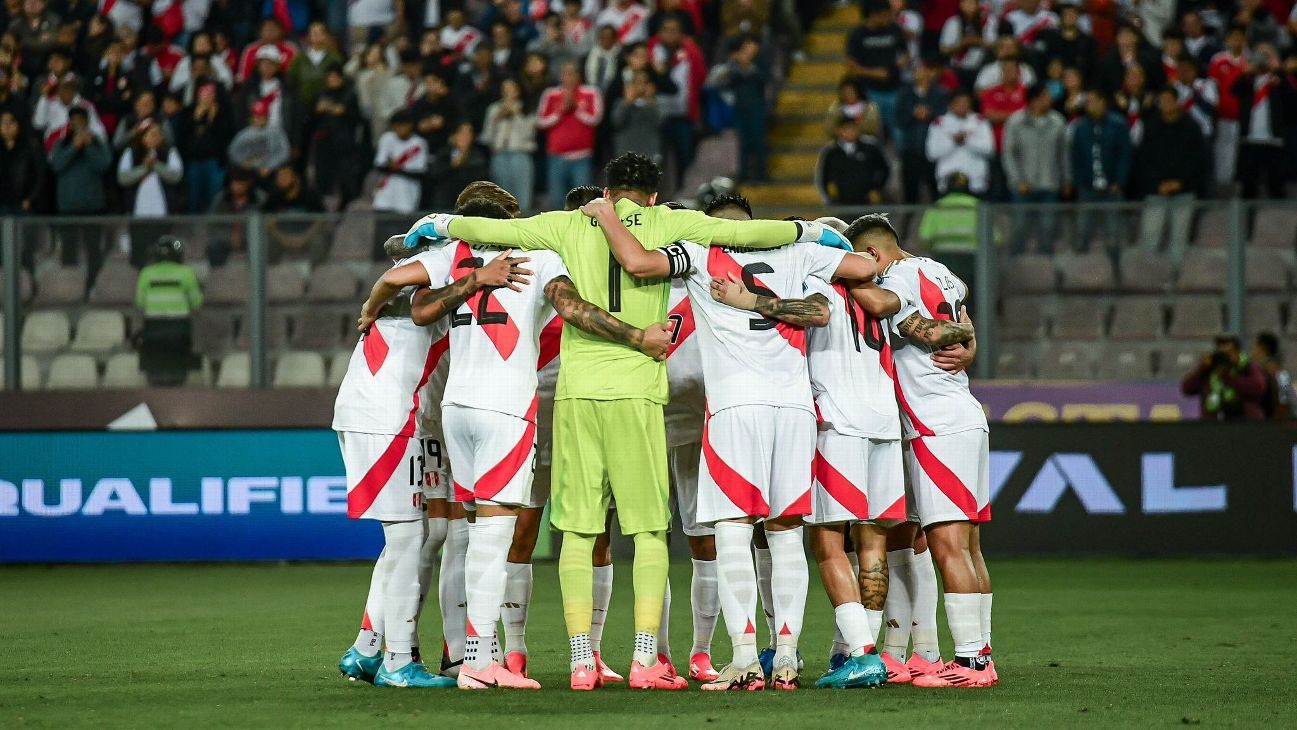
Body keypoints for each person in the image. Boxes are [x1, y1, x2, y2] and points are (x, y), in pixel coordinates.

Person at [403, 152, 849, 691]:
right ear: (655, 195)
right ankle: (644, 660)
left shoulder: (566, 224)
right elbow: (753, 235)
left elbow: (494, 229)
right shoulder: (671, 223)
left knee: (576, 529)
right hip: (639, 390)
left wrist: (439, 224)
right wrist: (809, 231)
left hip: (575, 394)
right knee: (649, 531)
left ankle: (581, 661)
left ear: (608, 192)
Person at [586, 188, 879, 692]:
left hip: (734, 409)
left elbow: (635, 262)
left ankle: (743, 658)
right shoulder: (794, 250)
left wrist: (605, 214)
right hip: (793, 408)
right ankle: (786, 658)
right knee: (787, 533)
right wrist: (815, 230)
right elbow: (859, 271)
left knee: (733, 531)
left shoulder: (698, 253)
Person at [399, 197, 668, 690]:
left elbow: (415, 304)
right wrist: (635, 335)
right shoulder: (539, 257)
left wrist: (441, 255)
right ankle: (480, 663)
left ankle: (477, 655)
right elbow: (572, 308)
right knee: (493, 538)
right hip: (504, 409)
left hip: (454, 409)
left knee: (472, 533)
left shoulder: (455, 254)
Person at [709, 218, 908, 690]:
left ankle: (859, 654)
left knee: (825, 542)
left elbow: (810, 313)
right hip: (884, 419)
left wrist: (747, 300)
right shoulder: (878, 294)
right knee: (872, 544)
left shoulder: (820, 281)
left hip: (838, 420)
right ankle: (849, 652)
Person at [335, 235, 521, 690]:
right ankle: (395, 660)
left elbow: (396, 261)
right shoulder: (432, 289)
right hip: (389, 418)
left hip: (390, 416)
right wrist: (370, 304)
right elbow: (395, 270)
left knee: (416, 535)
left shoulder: (427, 298)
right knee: (407, 539)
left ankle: (367, 647)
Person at [847, 215, 994, 689]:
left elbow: (908, 320)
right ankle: (980, 655)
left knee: (948, 545)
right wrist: (968, 337)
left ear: (872, 256)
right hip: (964, 414)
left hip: (936, 425)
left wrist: (830, 271)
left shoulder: (895, 277)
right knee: (969, 547)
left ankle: (971, 663)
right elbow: (963, 296)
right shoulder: (938, 269)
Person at [1135, 87, 1206, 268]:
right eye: (1162, 101)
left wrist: (1180, 183)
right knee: (1150, 237)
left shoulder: (1191, 127)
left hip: (1184, 191)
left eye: (1169, 100)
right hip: (1156, 190)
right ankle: (1149, 278)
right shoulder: (1151, 127)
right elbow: (1144, 160)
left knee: (1179, 240)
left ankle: (1176, 280)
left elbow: (1197, 161)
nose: (1165, 104)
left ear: (1177, 102)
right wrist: (1158, 183)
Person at [1002, 83, 1066, 254]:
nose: (1049, 99)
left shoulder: (1057, 122)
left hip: (1049, 184)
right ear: (1034, 101)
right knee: (1019, 227)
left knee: (1048, 227)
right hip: (1023, 186)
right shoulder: (1015, 122)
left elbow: (1063, 155)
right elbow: (1009, 154)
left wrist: (1066, 179)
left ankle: (1045, 267)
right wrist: (1017, 180)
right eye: (1045, 96)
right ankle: (1016, 263)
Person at [1068, 91, 1132, 253]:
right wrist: (1079, 183)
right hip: (1087, 188)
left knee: (1114, 233)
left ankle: (1117, 270)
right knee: (1082, 232)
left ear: (1102, 102)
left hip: (1112, 187)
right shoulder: (1080, 127)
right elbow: (1075, 157)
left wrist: (1119, 181)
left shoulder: (1118, 124)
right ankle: (1079, 269)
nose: (1088, 105)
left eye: (1092, 101)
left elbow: (1124, 155)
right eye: (1087, 102)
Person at [135, 236, 202, 386]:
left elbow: (140, 302)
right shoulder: (187, 273)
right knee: (179, 373)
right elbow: (197, 303)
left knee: (154, 373)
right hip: (179, 330)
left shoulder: (146, 273)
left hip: (153, 330)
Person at [117, 118, 183, 268]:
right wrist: (144, 168)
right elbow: (123, 178)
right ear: (142, 137)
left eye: (157, 134)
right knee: (140, 255)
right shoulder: (131, 153)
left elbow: (176, 175)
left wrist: (156, 165)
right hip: (138, 216)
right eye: (151, 134)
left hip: (163, 215)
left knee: (164, 252)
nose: (155, 138)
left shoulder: (169, 152)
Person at [536, 62, 603, 210]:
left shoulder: (591, 92)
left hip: (582, 157)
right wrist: (560, 111)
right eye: (565, 73)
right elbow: (541, 121)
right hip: (556, 157)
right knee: (557, 202)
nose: (568, 77)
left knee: (584, 203)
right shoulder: (550, 94)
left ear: (579, 75)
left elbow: (596, 119)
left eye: (572, 73)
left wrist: (575, 107)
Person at [1232, 44, 1295, 199]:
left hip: (1274, 141)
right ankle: (1245, 222)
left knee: (1276, 186)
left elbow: (1292, 103)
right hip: (1250, 140)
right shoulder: (1249, 80)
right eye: (1260, 56)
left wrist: (1279, 70)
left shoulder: (1280, 80)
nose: (1263, 60)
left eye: (1267, 56)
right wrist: (1246, 73)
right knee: (1248, 187)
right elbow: (1234, 91)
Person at [711, 35, 769, 182]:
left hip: (757, 108)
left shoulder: (760, 63)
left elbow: (764, 79)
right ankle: (743, 174)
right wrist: (735, 65)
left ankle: (761, 173)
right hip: (740, 109)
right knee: (742, 142)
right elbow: (718, 82)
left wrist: (747, 67)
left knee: (757, 141)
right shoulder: (733, 67)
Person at [847, 0, 906, 143]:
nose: (888, 19)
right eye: (885, 16)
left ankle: (900, 162)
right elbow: (852, 66)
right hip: (870, 91)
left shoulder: (894, 29)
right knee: (874, 131)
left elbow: (905, 54)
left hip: (894, 88)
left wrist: (899, 64)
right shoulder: (858, 35)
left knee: (898, 129)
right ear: (874, 15)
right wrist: (875, 73)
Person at [310, 63, 366, 208]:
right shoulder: (320, 94)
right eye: (330, 77)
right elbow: (310, 121)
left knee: (346, 181)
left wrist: (344, 111)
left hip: (344, 146)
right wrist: (317, 111)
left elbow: (359, 118)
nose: (333, 80)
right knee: (324, 182)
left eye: (336, 77)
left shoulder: (349, 95)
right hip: (324, 145)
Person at [174, 81, 234, 213]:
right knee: (193, 200)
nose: (207, 98)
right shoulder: (187, 112)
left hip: (215, 163)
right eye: (204, 94)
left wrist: (213, 119)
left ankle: (213, 229)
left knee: (215, 199)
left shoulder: (223, 113)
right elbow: (181, 136)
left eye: (210, 95)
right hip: (193, 162)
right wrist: (195, 118)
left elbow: (226, 135)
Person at [1181, 334, 1270, 421]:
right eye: (1220, 350)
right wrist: (1202, 368)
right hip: (1211, 426)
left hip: (1244, 425)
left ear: (1237, 352)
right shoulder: (1209, 370)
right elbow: (1187, 389)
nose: (1224, 355)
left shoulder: (1247, 367)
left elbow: (1258, 388)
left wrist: (1228, 378)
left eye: (1228, 352)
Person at [896, 59, 949, 204]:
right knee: (910, 195)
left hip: (934, 152)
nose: (919, 73)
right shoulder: (905, 94)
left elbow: (946, 118)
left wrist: (929, 114)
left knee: (935, 193)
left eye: (923, 69)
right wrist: (913, 114)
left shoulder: (940, 94)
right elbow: (899, 119)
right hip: (911, 149)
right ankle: (905, 225)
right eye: (916, 70)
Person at [926, 88, 995, 196]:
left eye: (966, 102)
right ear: (951, 104)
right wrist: (953, 142)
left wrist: (967, 141)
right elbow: (932, 154)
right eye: (959, 103)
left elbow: (989, 149)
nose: (963, 106)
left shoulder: (980, 121)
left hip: (976, 182)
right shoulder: (939, 123)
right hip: (947, 182)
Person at [483, 78, 538, 212]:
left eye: (511, 88)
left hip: (520, 155)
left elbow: (529, 135)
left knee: (523, 199)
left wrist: (516, 115)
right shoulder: (493, 109)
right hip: (499, 155)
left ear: (518, 90)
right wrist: (497, 119)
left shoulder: (527, 109)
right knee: (501, 200)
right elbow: (487, 137)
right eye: (505, 89)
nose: (508, 92)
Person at [918, 172, 979, 290]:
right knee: (971, 296)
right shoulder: (978, 206)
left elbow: (925, 238)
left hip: (943, 258)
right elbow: (995, 238)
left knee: (947, 294)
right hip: (972, 259)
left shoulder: (937, 207)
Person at [1208, 25, 1249, 186]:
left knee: (1240, 151)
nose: (1236, 41)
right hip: (1224, 114)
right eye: (1233, 38)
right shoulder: (1218, 60)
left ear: (1245, 40)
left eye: (1239, 38)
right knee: (1223, 149)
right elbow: (1212, 87)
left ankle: (1237, 182)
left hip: (1244, 116)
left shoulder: (1249, 61)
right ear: (1227, 40)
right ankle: (1222, 182)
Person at [816, 115, 889, 206]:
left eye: (853, 128)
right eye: (846, 128)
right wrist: (828, 198)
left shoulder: (870, 147)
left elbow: (885, 170)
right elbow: (822, 176)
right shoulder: (830, 151)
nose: (850, 132)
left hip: (867, 203)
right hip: (841, 203)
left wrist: (878, 189)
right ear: (839, 130)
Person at [226, 99, 290, 186]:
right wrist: (243, 163)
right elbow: (232, 151)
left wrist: (270, 166)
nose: (258, 119)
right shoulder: (244, 134)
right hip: (250, 173)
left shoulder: (276, 132)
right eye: (256, 116)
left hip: (272, 172)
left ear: (267, 117)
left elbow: (285, 152)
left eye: (261, 116)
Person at [610, 69, 662, 163]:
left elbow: (659, 123)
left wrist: (649, 103)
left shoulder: (655, 104)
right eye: (637, 82)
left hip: (649, 156)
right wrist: (627, 103)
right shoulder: (621, 103)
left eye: (644, 83)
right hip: (625, 156)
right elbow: (617, 122)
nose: (641, 86)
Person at [0, 109, 45, 215]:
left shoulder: (31, 147)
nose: (7, 126)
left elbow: (41, 176)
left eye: (11, 122)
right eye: (3, 123)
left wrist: (29, 200)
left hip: (22, 206)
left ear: (18, 125)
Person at [1253, 333, 1293, 420]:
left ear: (1262, 348)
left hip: (1273, 423)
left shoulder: (1279, 373)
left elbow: (1285, 400)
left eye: (1255, 347)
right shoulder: (1281, 373)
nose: (1253, 351)